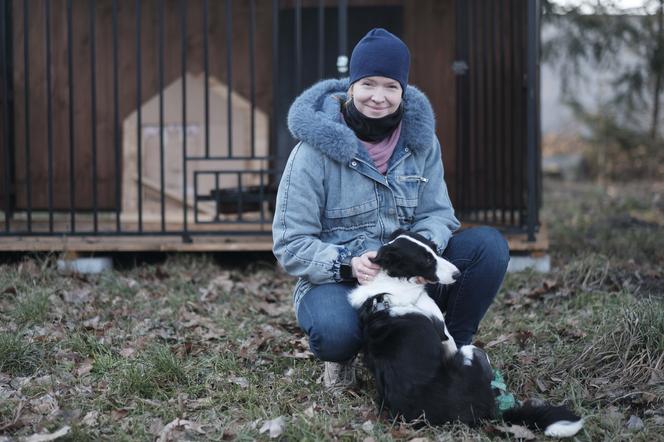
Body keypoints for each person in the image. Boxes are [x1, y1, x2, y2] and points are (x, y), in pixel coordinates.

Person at [272, 28, 510, 392]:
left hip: (408, 276)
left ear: (403, 90)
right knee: (336, 332)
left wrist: (417, 255)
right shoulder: (311, 153)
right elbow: (291, 244)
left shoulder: (421, 144)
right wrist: (348, 262)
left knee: (487, 247)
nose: (378, 97)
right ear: (351, 86)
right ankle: (344, 359)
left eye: (391, 86)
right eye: (368, 83)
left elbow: (439, 214)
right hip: (344, 282)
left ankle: (457, 347)